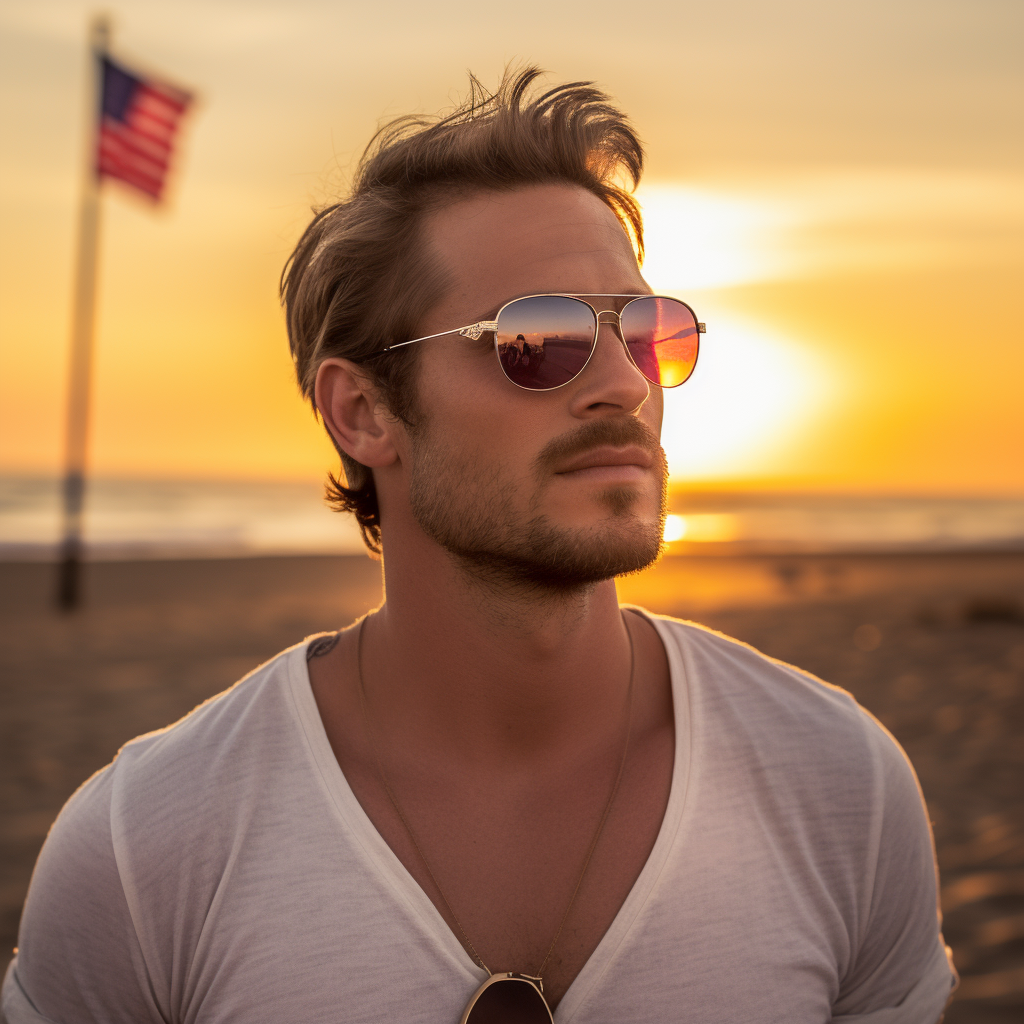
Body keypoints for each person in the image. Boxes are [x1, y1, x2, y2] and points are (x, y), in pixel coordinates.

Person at [2, 69, 956, 1024]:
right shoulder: (146, 850)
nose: (625, 385)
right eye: (538, 339)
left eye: (645, 330)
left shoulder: (841, 787)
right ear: (365, 412)